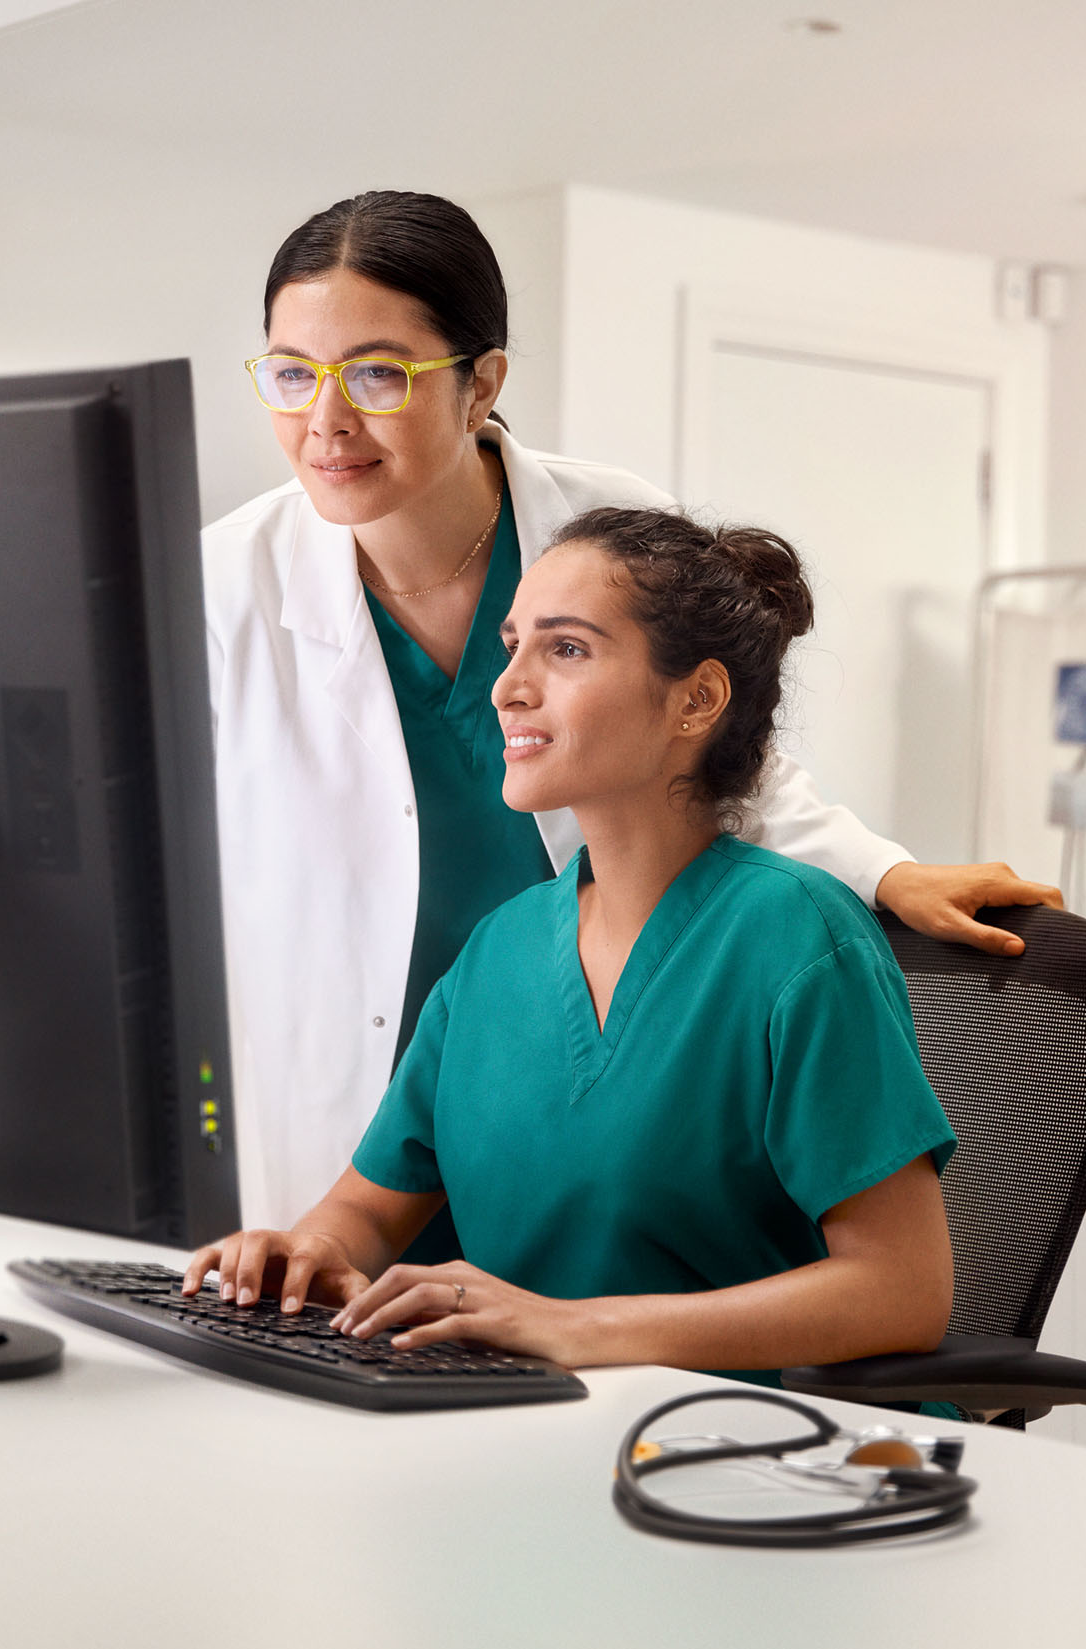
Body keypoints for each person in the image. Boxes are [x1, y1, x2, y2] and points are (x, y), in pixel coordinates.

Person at [202, 189, 1054, 1228]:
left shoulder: (595, 533)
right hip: (352, 1113)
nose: (325, 419)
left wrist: (883, 871)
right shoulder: (219, 587)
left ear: (482, 386)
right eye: (292, 373)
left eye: (378, 372)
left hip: (582, 1091)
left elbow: (713, 749)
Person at [186, 506, 955, 1379]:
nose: (508, 686)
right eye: (512, 646)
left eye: (566, 650)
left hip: (735, 1451)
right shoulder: (498, 951)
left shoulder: (799, 940)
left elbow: (903, 1289)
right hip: (519, 1434)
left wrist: (579, 1330)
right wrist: (306, 1253)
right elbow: (365, 1211)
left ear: (696, 700)